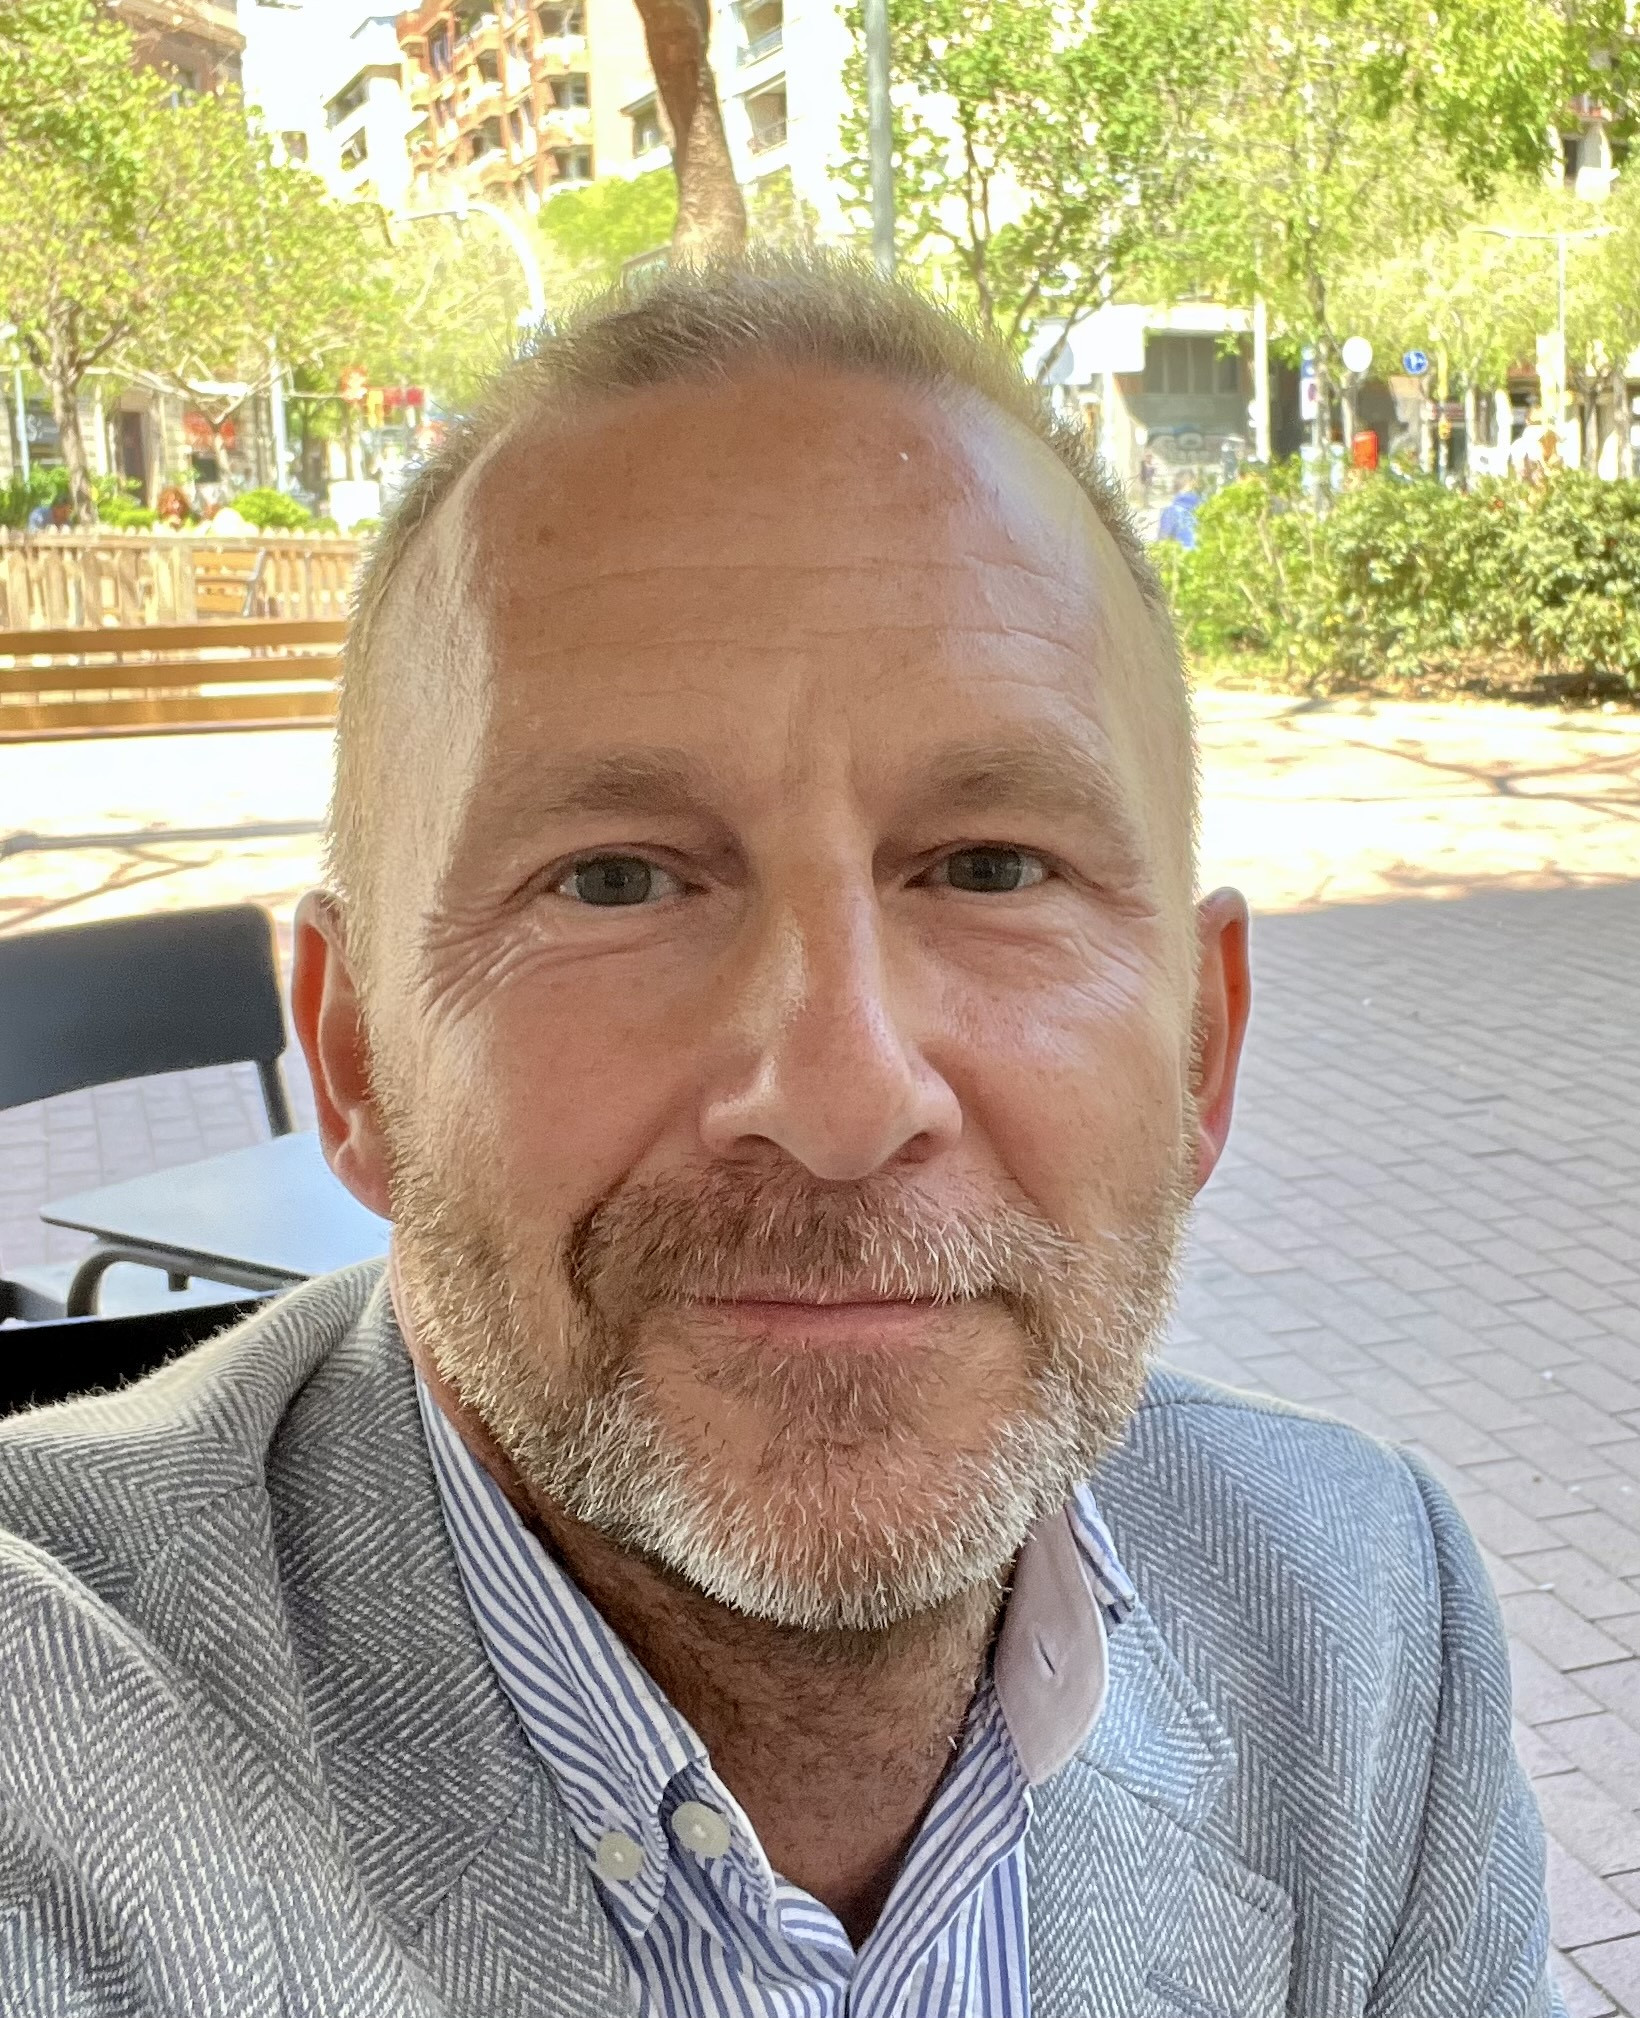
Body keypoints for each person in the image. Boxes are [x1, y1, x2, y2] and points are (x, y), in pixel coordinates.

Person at [0, 258, 1557, 2017]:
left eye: (990, 866)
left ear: (1201, 1045)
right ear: (357, 1056)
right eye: (613, 879)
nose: (841, 1096)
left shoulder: (1361, 1613)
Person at [1156, 469, 1201, 547]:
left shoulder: (1169, 512)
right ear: (1193, 483)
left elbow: (1162, 542)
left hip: (1179, 553)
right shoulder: (1206, 508)